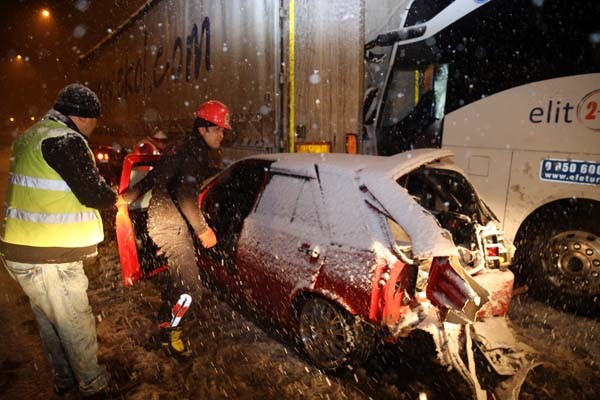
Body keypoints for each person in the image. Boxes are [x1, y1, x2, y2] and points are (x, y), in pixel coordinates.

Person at [0, 84, 122, 396]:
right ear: (83, 118)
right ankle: (93, 385)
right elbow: (92, 192)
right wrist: (114, 197)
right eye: (94, 121)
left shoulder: (32, 135)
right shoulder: (65, 139)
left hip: (24, 249)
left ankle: (65, 379)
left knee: (50, 322)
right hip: (49, 255)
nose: (94, 128)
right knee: (74, 322)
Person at [122, 100, 230, 357]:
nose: (222, 134)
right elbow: (185, 195)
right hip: (171, 226)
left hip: (160, 221)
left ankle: (164, 319)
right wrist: (203, 229)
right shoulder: (196, 152)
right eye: (218, 129)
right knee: (192, 289)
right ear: (203, 129)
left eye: (223, 130)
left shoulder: (180, 147)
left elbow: (154, 176)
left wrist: (129, 195)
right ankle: (171, 332)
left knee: (179, 280)